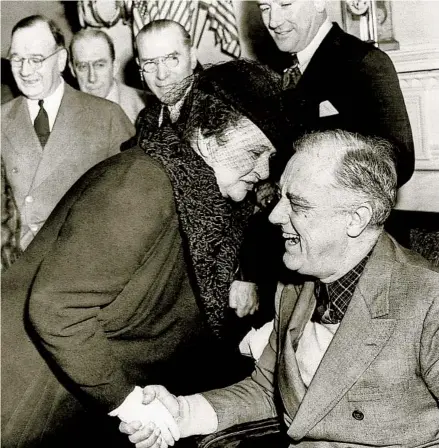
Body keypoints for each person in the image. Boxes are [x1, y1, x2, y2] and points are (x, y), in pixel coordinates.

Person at [1, 60, 287, 448]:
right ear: (207, 132)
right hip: (28, 387)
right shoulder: (142, 182)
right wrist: (128, 402)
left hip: (74, 389)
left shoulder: (201, 195)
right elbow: (57, 309)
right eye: (255, 151)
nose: (263, 169)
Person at [120, 130, 439, 448]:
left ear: (356, 219)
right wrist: (184, 413)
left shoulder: (428, 301)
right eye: (279, 197)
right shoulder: (294, 287)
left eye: (297, 204)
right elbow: (269, 388)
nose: (274, 215)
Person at [1, 15, 134, 250]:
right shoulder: (1, 120)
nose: (25, 70)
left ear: (61, 60)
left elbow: (133, 206)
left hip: (82, 264)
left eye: (36, 59)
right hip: (16, 269)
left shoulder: (108, 117)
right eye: (17, 59)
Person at [257, 0, 414, 187]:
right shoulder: (272, 65)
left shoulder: (363, 62)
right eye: (265, 8)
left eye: (285, 5)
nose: (273, 21)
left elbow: (397, 163)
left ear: (319, 3)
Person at [132, 20, 198, 144]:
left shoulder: (219, 111)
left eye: (172, 59)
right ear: (139, 67)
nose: (161, 75)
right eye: (150, 63)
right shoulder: (147, 118)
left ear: (192, 57)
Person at [70, 28, 146, 124]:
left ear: (115, 67)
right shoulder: (63, 113)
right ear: (73, 70)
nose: (92, 78)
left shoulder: (144, 107)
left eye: (100, 65)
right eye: (83, 67)